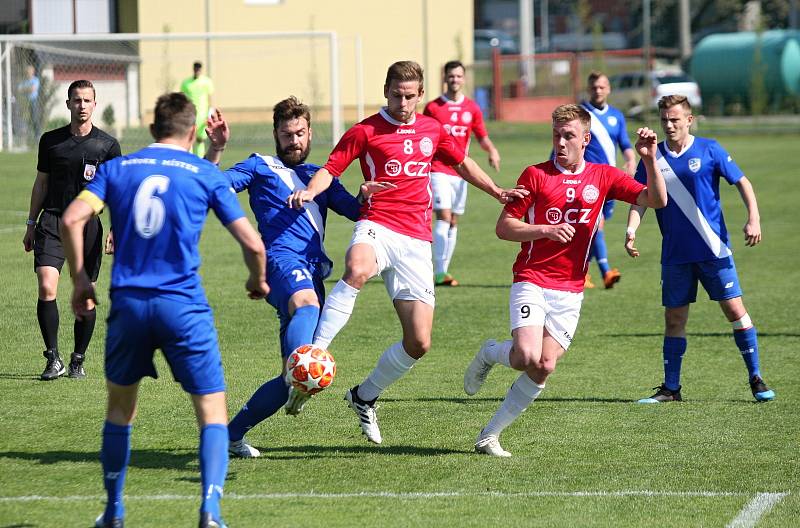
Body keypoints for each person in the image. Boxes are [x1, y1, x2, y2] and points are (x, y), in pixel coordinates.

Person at [288, 60, 525, 445]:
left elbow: (461, 161)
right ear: (385, 90)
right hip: (377, 224)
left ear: (420, 94)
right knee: (357, 268)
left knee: (419, 342)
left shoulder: (432, 128)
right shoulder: (366, 130)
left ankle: (364, 397)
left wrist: (497, 191)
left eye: (410, 96)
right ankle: (314, 354)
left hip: (416, 240)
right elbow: (332, 168)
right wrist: (311, 192)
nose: (403, 103)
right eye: (397, 95)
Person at [60, 92, 268, 528]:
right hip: (183, 307)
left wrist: (81, 280)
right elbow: (252, 243)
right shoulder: (202, 172)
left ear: (153, 130)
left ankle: (114, 511)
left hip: (130, 306)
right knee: (212, 410)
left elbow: (72, 219)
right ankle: (210, 510)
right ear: (191, 133)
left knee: (120, 410)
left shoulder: (117, 169)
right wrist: (257, 280)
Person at [462, 104, 667, 457]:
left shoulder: (603, 176)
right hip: (532, 278)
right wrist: (544, 229)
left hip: (571, 289)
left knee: (545, 365)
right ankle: (490, 353)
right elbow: (503, 227)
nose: (560, 142)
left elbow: (656, 200)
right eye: (556, 135)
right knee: (526, 354)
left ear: (585, 139)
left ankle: (489, 435)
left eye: (568, 136)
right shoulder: (535, 175)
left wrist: (649, 159)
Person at [204, 96, 392, 458]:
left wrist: (365, 196)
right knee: (306, 317)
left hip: (311, 271)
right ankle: (297, 378)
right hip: (278, 262)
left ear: (309, 133)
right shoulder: (260, 166)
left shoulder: (319, 177)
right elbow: (216, 186)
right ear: (276, 133)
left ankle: (230, 436)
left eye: (300, 133)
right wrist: (217, 148)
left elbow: (355, 211)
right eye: (287, 134)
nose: (294, 141)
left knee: (291, 377)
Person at [625, 95, 775, 404]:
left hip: (713, 250)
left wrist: (754, 219)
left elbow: (743, 182)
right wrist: (631, 229)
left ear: (689, 120)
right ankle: (671, 389)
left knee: (735, 311)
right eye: (664, 119)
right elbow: (641, 197)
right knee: (674, 320)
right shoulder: (653, 156)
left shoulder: (710, 149)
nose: (669, 125)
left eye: (675, 119)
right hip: (675, 254)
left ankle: (756, 377)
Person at [22, 79, 121, 381]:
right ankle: (53, 358)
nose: (81, 106)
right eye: (76, 100)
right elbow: (41, 183)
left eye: (87, 101)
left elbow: (118, 190)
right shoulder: (51, 141)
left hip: (87, 226)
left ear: (94, 104)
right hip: (51, 221)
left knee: (86, 297)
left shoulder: (107, 145)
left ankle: (78, 358)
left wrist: (116, 228)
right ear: (67, 104)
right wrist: (30, 223)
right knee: (46, 287)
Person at [423, 60, 501, 287]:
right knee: (444, 217)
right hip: (438, 170)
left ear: (464, 79)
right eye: (451, 76)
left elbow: (481, 136)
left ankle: (444, 269)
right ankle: (438, 272)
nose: (454, 80)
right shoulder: (433, 107)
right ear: (445, 78)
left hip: (461, 173)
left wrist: (492, 151)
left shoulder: (472, 108)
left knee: (454, 221)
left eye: (458, 76)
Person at [580, 71, 636, 289]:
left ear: (609, 89)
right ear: (588, 89)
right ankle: (606, 272)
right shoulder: (580, 114)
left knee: (593, 228)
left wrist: (630, 161)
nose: (598, 91)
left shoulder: (616, 116)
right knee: (597, 225)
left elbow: (624, 143)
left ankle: (581, 272)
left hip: (610, 180)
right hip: (588, 180)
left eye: (602, 87)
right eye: (594, 87)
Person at [181, 61, 214, 157]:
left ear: (201, 70)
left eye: (199, 69)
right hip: (190, 114)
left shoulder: (206, 82)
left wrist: (210, 112)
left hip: (202, 115)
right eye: (196, 69)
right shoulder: (186, 83)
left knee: (200, 139)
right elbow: (183, 97)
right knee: (189, 138)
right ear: (193, 69)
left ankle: (199, 159)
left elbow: (210, 98)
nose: (197, 71)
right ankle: (190, 158)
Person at [18, 64, 41, 142]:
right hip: (25, 102)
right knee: (25, 119)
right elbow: (19, 89)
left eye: (30, 71)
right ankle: (25, 136)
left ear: (33, 72)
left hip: (33, 101)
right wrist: (28, 89)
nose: (28, 72)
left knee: (34, 118)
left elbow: (33, 89)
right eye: (27, 71)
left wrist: (25, 89)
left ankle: (37, 136)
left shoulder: (36, 80)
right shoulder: (24, 81)